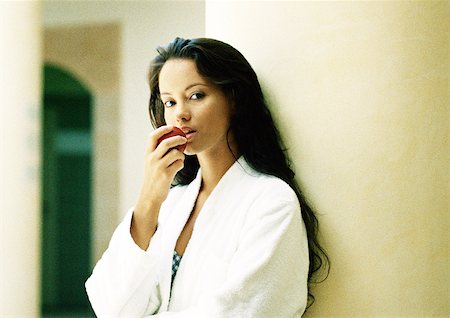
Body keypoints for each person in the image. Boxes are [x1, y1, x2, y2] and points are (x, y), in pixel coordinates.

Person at [85, 37, 328, 317]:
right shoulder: (173, 202)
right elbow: (110, 306)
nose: (180, 114)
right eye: (170, 102)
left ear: (234, 99)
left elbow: (245, 311)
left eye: (196, 96)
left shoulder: (271, 202)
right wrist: (149, 199)